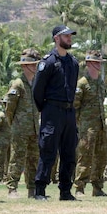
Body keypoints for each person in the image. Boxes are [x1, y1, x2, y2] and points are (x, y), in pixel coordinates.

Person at [31, 26, 79, 201]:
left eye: (70, 36)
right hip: (52, 110)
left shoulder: (73, 62)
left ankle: (65, 191)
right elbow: (37, 91)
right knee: (48, 150)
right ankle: (40, 190)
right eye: (66, 36)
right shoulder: (48, 62)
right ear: (56, 39)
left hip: (69, 111)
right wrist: (45, 109)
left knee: (69, 152)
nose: (69, 39)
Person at [5, 49, 41, 198]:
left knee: (34, 159)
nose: (35, 67)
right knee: (17, 158)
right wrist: (14, 124)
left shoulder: (37, 83)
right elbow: (9, 108)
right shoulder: (18, 84)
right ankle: (12, 188)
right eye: (32, 64)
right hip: (20, 128)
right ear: (25, 66)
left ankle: (32, 189)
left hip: (34, 127)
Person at [74, 51, 107, 197]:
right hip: (87, 127)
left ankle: (97, 187)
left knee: (101, 157)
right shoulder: (82, 83)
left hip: (101, 125)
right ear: (88, 64)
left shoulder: (100, 82)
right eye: (95, 62)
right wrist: (81, 124)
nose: (98, 65)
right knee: (85, 156)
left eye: (100, 63)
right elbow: (75, 106)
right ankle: (79, 187)